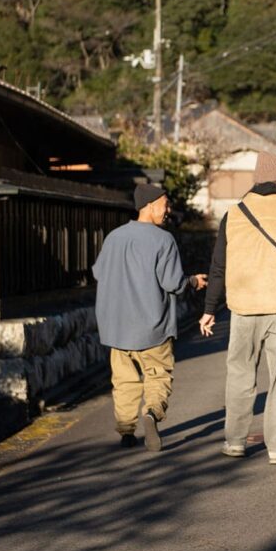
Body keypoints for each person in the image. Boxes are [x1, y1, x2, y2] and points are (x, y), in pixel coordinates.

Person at [200, 152, 276, 464]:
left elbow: (218, 267)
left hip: (244, 307)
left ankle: (235, 442)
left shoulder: (233, 214)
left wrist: (210, 309)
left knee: (240, 376)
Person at [93, 184, 207, 452]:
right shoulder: (163, 240)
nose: (168, 210)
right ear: (150, 204)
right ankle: (152, 413)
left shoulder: (113, 238)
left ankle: (126, 431)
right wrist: (193, 281)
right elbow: (173, 283)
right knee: (158, 377)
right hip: (152, 325)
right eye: (165, 204)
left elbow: (99, 273)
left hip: (117, 327)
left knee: (124, 382)